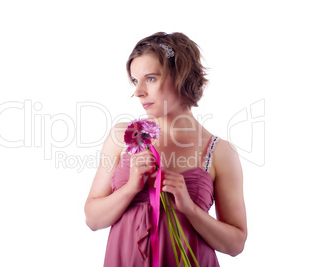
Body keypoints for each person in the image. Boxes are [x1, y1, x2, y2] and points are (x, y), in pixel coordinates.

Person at [84, 32, 247, 267]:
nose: (138, 91)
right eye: (134, 80)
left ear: (180, 77)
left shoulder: (220, 152)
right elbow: (92, 219)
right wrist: (131, 188)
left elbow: (235, 244)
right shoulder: (122, 137)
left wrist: (190, 209)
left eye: (150, 79)